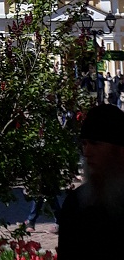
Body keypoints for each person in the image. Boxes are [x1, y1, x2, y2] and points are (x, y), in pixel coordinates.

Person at [58, 105, 124, 254]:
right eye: (84, 144)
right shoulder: (76, 204)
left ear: (120, 150)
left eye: (95, 143)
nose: (87, 152)